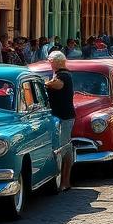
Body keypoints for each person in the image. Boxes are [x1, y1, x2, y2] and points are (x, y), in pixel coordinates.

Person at [43, 50, 75, 191]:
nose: (50, 64)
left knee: (64, 147)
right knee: (60, 147)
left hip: (64, 116)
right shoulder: (58, 74)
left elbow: (57, 85)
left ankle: (65, 181)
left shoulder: (63, 75)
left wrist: (44, 83)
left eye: (50, 62)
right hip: (57, 116)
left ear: (57, 62)